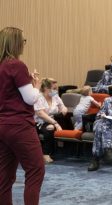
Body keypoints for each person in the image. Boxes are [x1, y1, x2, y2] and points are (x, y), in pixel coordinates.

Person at [0, 27, 45, 205]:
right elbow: (30, 98)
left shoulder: (2, 66)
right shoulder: (17, 65)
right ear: (16, 43)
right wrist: (37, 85)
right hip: (19, 125)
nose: (24, 44)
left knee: (4, 176)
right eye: (23, 41)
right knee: (36, 171)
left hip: (2, 126)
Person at [34, 78, 68, 163]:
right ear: (46, 89)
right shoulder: (38, 97)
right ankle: (45, 154)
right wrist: (55, 123)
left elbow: (63, 106)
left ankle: (66, 150)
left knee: (66, 121)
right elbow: (40, 114)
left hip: (55, 119)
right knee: (50, 127)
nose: (56, 91)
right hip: (40, 121)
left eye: (56, 89)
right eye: (54, 89)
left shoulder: (55, 96)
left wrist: (64, 109)